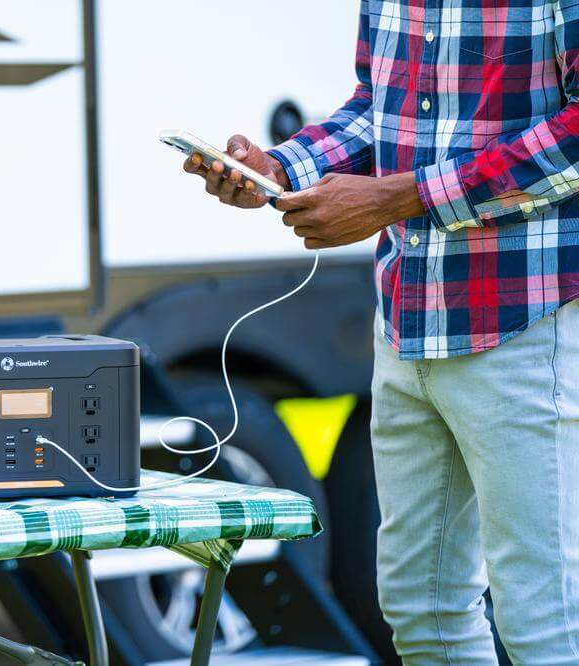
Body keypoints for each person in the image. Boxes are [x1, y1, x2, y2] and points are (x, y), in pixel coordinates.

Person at [183, 1, 578, 663]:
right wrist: (281, 169)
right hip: (406, 321)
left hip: (524, 324)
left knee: (547, 624)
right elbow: (380, 105)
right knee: (422, 615)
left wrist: (401, 197)